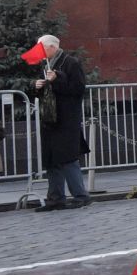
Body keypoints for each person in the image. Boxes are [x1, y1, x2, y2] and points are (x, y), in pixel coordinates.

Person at [31, 34, 90, 210]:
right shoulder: (45, 65)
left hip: (66, 119)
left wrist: (58, 79)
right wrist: (37, 86)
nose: (40, 52)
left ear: (52, 47)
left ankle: (80, 195)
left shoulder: (70, 63)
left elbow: (78, 89)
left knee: (68, 158)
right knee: (51, 159)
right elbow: (47, 92)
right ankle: (55, 197)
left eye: (42, 48)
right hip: (50, 118)